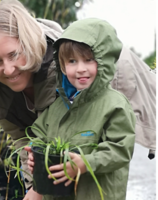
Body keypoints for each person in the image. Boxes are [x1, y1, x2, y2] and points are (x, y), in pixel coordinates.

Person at [0, 0, 155, 199]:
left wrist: (46, 185)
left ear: (29, 46)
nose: (8, 69)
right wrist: (35, 180)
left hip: (121, 76)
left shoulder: (66, 70)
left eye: (14, 55)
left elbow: (112, 147)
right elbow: (26, 138)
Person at [27, 18, 136, 200]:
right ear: (62, 65)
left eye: (89, 60)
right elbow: (39, 132)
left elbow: (120, 149)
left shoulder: (114, 105)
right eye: (72, 61)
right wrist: (36, 152)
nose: (80, 69)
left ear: (104, 61)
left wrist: (86, 163)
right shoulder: (58, 104)